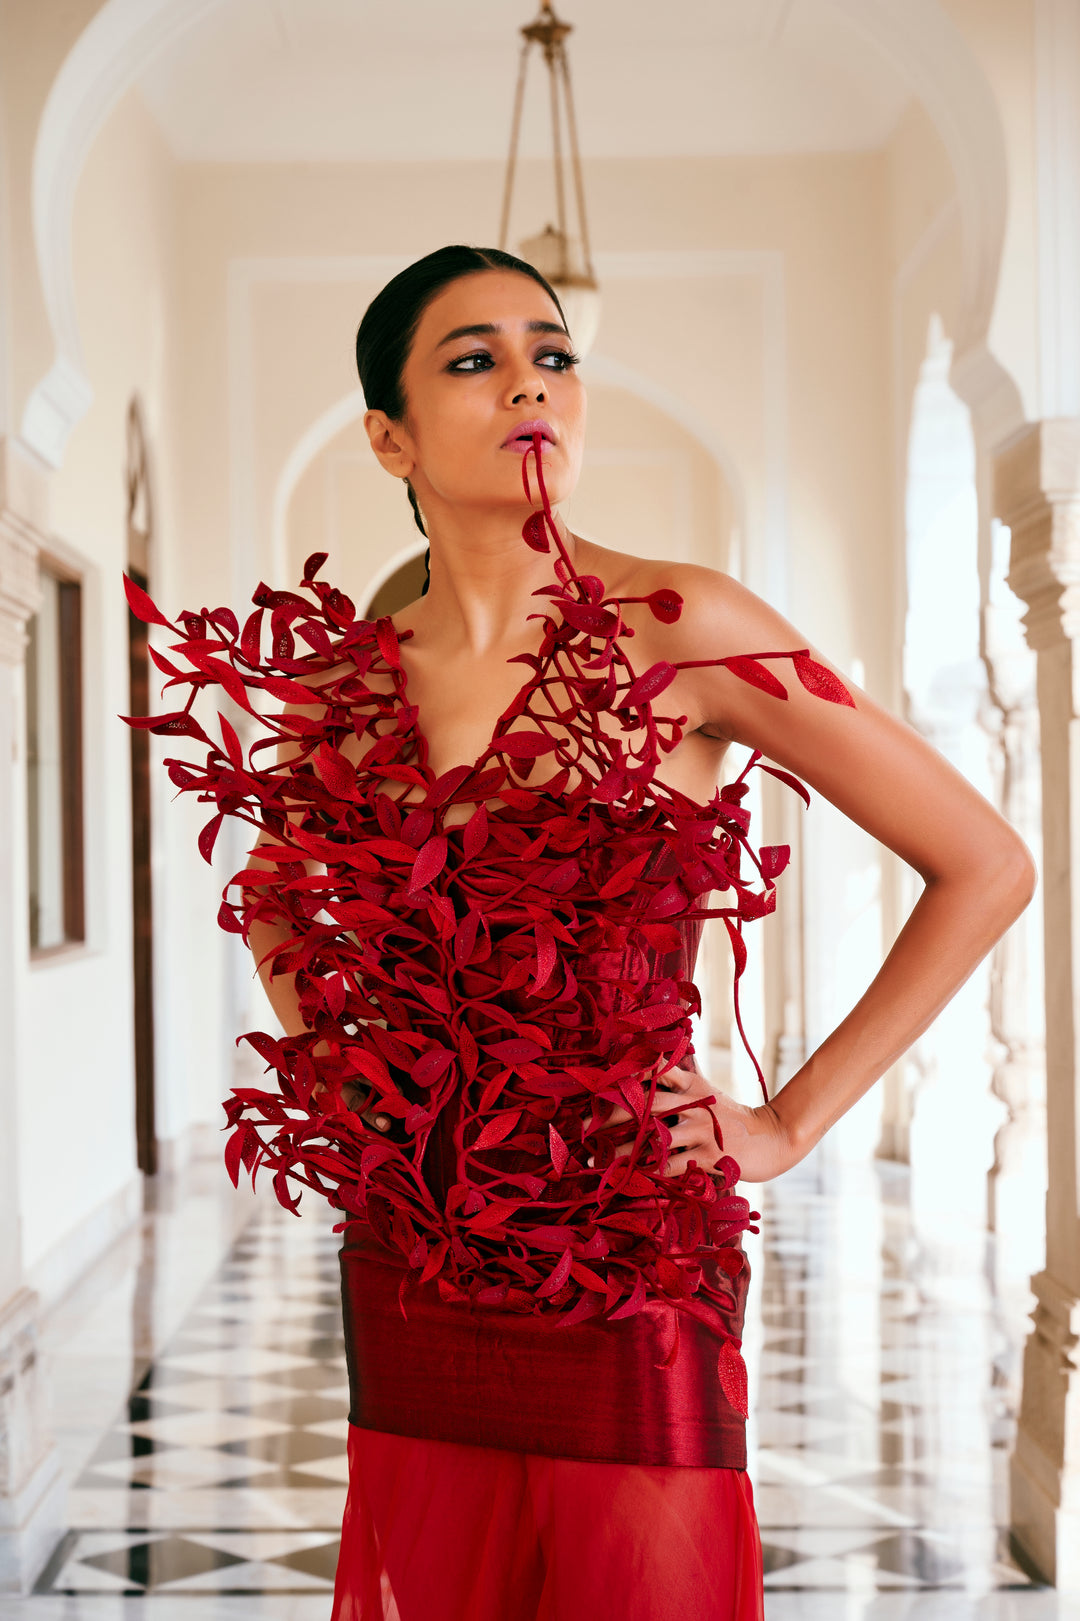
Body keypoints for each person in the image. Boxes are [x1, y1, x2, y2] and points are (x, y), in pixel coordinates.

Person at [125, 245, 1036, 1620]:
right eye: (474, 360)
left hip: (632, 1250)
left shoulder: (686, 628)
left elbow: (987, 863)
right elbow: (272, 892)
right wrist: (346, 1075)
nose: (531, 385)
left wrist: (783, 1125)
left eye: (551, 354)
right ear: (391, 436)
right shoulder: (347, 685)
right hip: (418, 1246)